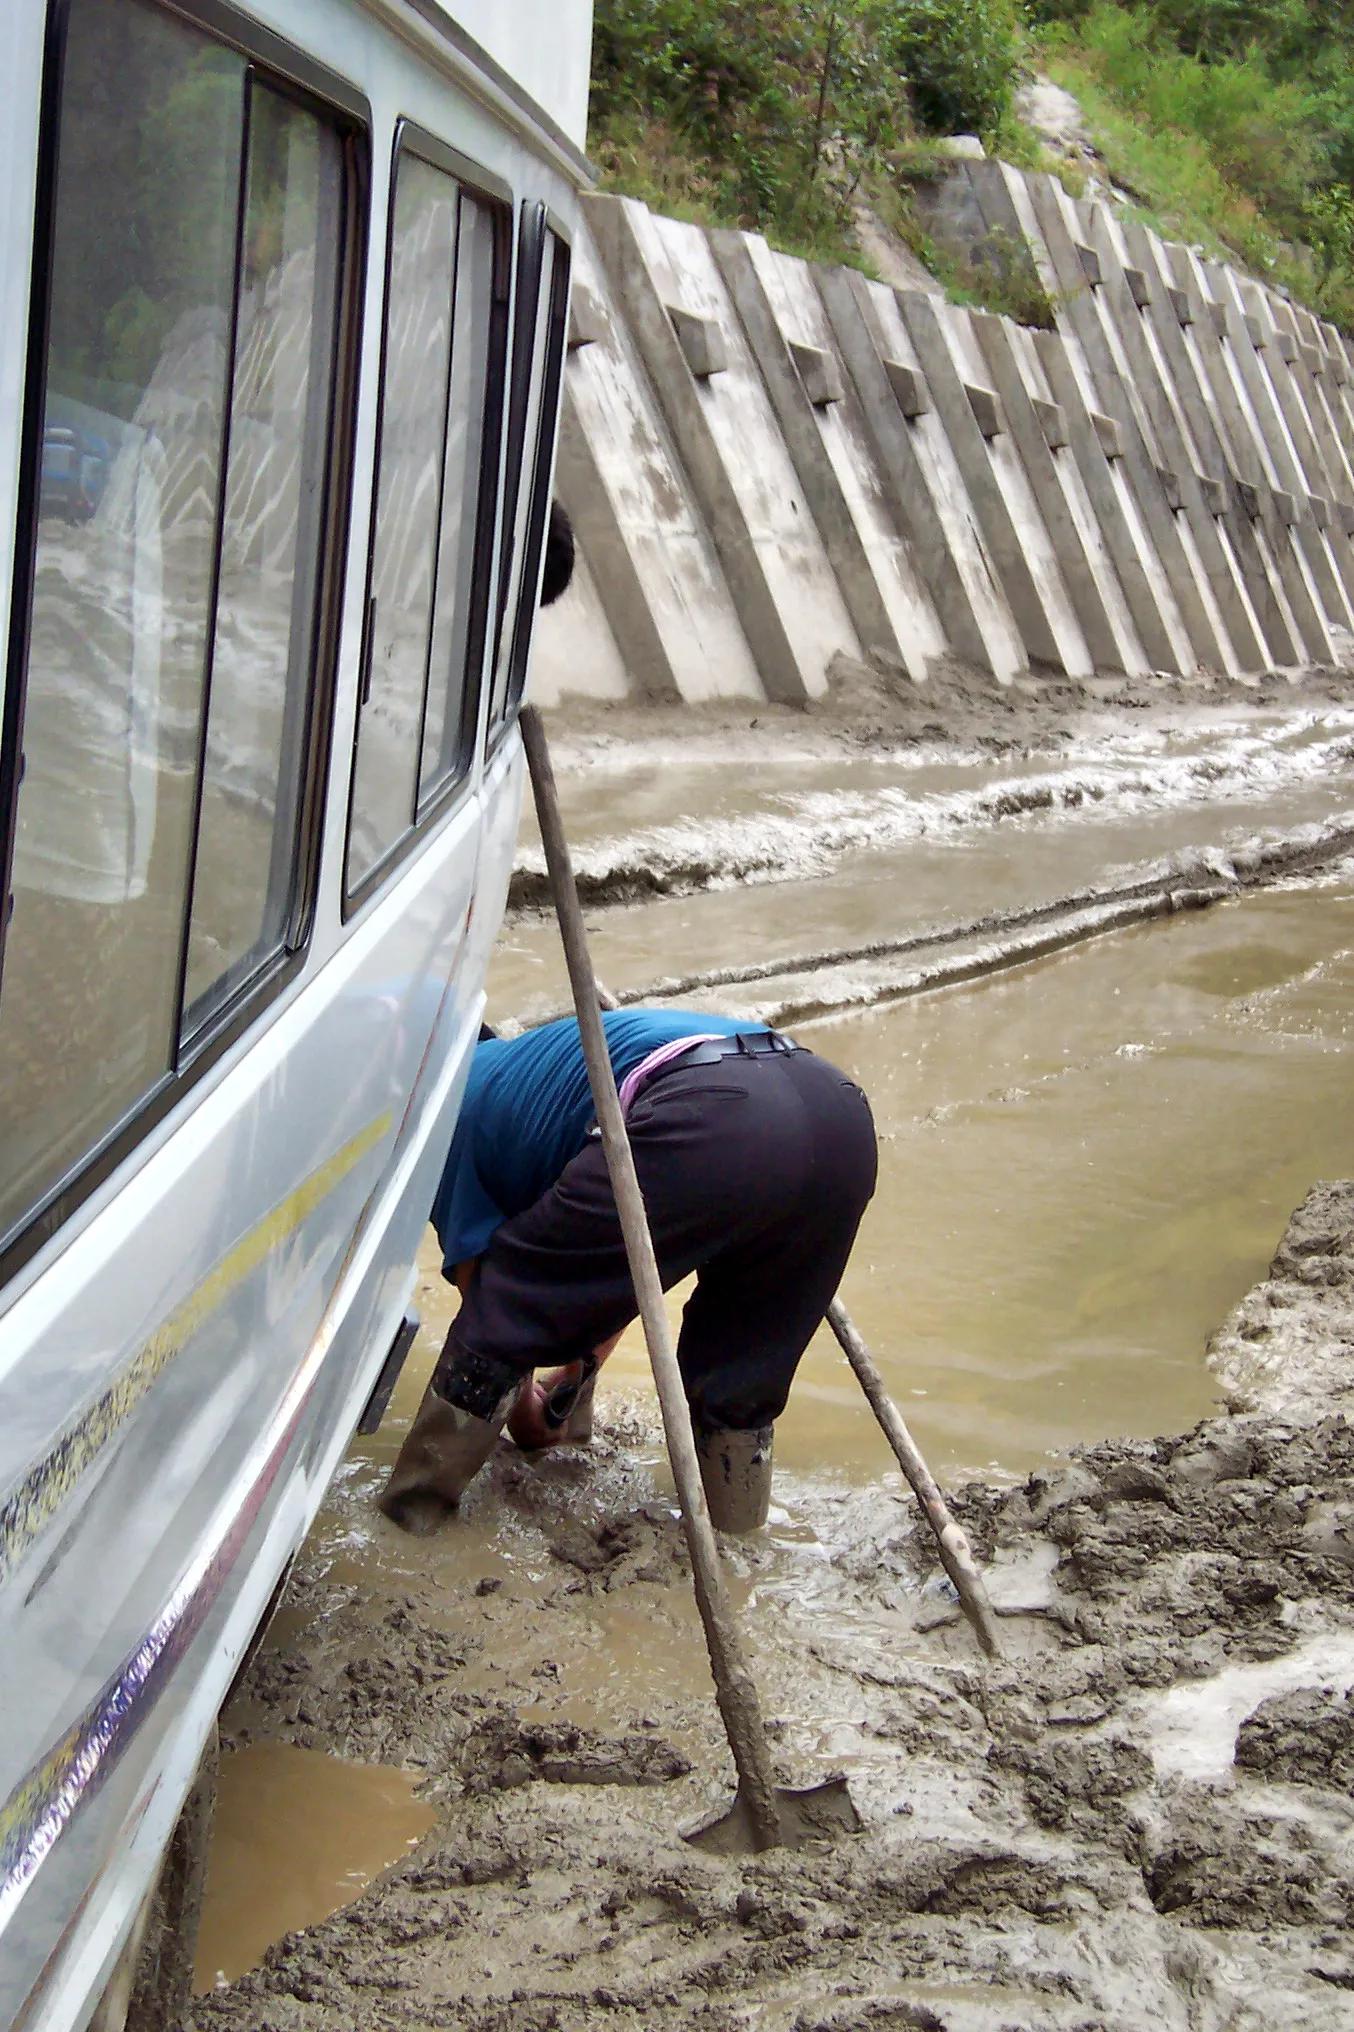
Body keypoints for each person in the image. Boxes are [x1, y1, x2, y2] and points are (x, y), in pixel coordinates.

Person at [379, 1009, 877, 1536]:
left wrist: (528, 1416)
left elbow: (494, 1303)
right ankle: (741, 1542)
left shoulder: (449, 1107)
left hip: (713, 1115)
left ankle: (410, 1522)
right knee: (740, 1377)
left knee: (508, 1306)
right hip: (837, 1114)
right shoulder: (532, 1070)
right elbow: (620, 1264)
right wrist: (572, 1382)